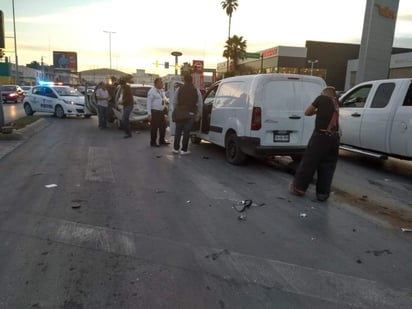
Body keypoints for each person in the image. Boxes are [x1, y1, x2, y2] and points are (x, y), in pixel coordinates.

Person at [289, 86, 340, 202]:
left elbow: (308, 112)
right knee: (328, 166)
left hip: (321, 137)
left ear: (324, 93)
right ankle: (323, 194)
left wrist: (317, 110)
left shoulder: (321, 98)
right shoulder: (336, 103)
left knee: (309, 163)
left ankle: (298, 188)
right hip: (334, 139)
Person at [172, 74, 202, 155]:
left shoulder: (179, 89)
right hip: (190, 114)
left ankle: (175, 148)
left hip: (180, 113)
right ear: (192, 80)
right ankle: (184, 150)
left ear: (184, 80)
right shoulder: (196, 90)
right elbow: (199, 103)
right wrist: (198, 114)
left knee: (178, 131)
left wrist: (177, 109)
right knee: (186, 132)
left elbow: (174, 101)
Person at [147, 77, 169, 147]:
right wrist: (149, 114)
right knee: (154, 128)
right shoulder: (152, 91)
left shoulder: (161, 91)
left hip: (161, 112)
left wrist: (167, 102)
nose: (162, 84)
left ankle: (161, 140)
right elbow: (149, 103)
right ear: (156, 84)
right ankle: (153, 142)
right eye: (161, 82)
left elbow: (164, 99)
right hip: (155, 112)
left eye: (162, 82)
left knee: (163, 126)